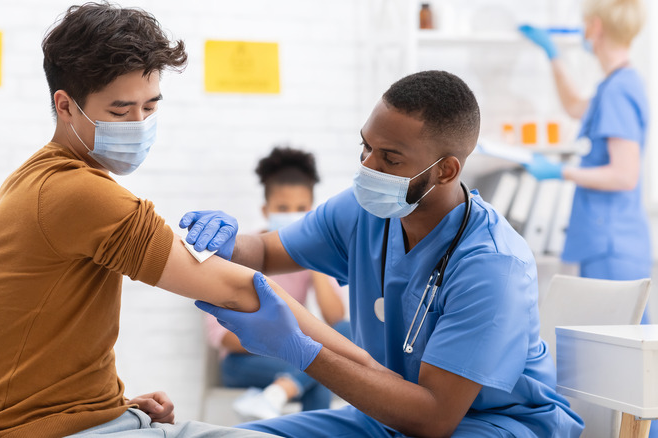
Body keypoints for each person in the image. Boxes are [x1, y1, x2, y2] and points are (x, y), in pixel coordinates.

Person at [0, 4, 379, 438]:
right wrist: (372, 372)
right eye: (121, 112)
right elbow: (238, 288)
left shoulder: (35, 179)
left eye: (150, 107)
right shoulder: (76, 193)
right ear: (65, 106)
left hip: (75, 420)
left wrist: (112, 405)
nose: (139, 125)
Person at [186, 70, 585, 437]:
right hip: (389, 418)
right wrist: (229, 242)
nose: (367, 167)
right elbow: (265, 252)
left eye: (390, 158)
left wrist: (302, 351)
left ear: (445, 171)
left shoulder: (494, 266)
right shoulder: (363, 212)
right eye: (366, 146)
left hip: (488, 424)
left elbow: (434, 418)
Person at [520, 2, 658, 436]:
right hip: (607, 241)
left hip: (613, 242)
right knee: (628, 361)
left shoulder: (621, 88)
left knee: (632, 367)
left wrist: (561, 170)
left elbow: (624, 174)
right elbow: (575, 106)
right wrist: (552, 54)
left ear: (593, 27)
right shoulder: (614, 85)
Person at [206, 146, 351, 420]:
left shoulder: (309, 255)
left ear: (311, 211)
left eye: (300, 209)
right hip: (242, 362)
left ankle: (277, 394)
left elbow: (336, 320)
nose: (291, 215)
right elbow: (220, 337)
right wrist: (283, 341)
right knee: (320, 369)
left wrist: (311, 257)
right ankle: (281, 391)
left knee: (347, 333)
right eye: (283, 208)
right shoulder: (238, 252)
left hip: (291, 355)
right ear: (265, 209)